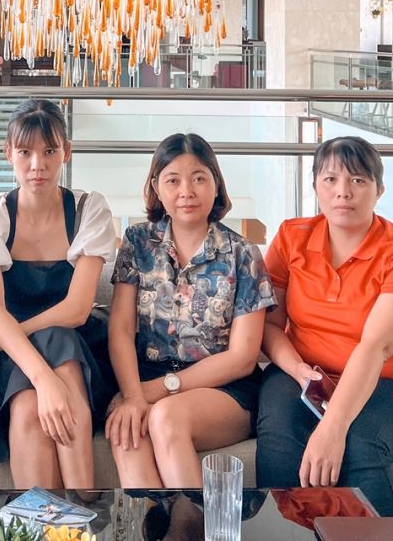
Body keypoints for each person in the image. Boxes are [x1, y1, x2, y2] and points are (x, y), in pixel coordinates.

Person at [0, 97, 116, 487]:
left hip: (73, 345)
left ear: (66, 152)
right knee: (27, 409)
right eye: (25, 152)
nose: (38, 165)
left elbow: (75, 310)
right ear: (9, 154)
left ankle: (77, 505)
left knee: (59, 339)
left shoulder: (89, 209)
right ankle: (72, 510)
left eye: (49, 151)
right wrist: (43, 379)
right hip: (9, 355)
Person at [106, 132, 275, 486]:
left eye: (199, 178)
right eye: (173, 180)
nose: (186, 191)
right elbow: (120, 329)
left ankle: (193, 522)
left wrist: (155, 391)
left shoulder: (243, 254)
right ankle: (157, 521)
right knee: (127, 428)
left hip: (224, 388)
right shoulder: (137, 242)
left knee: (165, 417)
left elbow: (243, 358)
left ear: (216, 184)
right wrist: (133, 395)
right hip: (143, 376)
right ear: (156, 187)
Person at [256, 135, 393, 514]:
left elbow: (375, 347)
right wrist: (297, 369)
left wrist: (333, 427)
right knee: (280, 434)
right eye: (330, 179)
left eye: (358, 180)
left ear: (379, 190)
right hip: (300, 371)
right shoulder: (292, 236)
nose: (342, 192)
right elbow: (269, 325)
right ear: (316, 185)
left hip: (379, 380)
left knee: (362, 446)